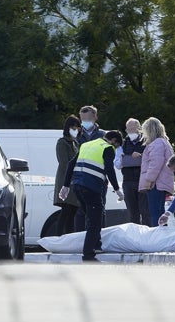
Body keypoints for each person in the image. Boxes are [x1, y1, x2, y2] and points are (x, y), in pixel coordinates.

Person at [59, 131, 125, 262]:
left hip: (77, 186)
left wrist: (65, 185)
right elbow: (109, 169)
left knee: (91, 217)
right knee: (95, 221)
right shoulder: (108, 148)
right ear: (113, 140)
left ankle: (96, 245)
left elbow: (71, 164)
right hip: (91, 187)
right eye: (116, 146)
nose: (115, 149)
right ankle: (88, 255)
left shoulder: (87, 145)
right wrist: (117, 189)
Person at [74, 105, 107, 232]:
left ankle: (98, 239)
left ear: (95, 117)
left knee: (99, 210)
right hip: (80, 178)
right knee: (80, 210)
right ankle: (80, 239)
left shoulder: (103, 135)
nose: (84, 122)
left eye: (87, 119)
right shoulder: (76, 135)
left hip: (98, 178)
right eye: (82, 119)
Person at [138, 117, 174, 227]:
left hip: (155, 184)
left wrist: (149, 180)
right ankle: (163, 239)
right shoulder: (165, 143)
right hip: (162, 183)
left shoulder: (156, 144)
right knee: (160, 214)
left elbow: (155, 164)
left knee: (155, 214)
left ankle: (157, 240)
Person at [114, 118, 150, 225]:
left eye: (133, 129)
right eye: (128, 130)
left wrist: (141, 156)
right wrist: (121, 159)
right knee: (132, 214)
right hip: (128, 182)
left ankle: (147, 238)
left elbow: (153, 160)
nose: (130, 132)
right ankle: (135, 239)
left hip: (143, 181)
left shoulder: (147, 142)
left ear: (139, 129)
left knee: (145, 212)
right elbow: (117, 165)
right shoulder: (122, 145)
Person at [53, 115, 81, 235]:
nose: (75, 129)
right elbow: (64, 163)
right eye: (72, 127)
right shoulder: (62, 142)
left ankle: (68, 237)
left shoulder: (76, 143)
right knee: (66, 210)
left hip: (74, 180)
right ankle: (59, 237)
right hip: (65, 180)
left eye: (77, 127)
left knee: (73, 211)